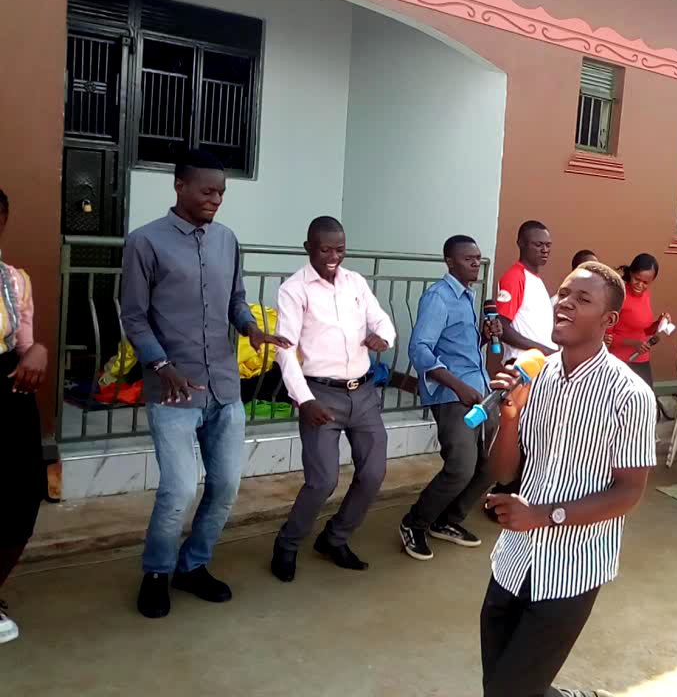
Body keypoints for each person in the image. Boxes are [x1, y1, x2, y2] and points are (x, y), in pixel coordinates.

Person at [121, 150, 291, 618]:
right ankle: (157, 572)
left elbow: (236, 300)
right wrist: (160, 364)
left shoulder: (227, 241)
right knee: (178, 490)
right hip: (173, 391)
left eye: (222, 192)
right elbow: (134, 317)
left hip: (224, 387)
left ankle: (192, 565)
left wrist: (250, 327)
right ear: (180, 186)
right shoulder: (144, 242)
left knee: (226, 485)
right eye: (207, 190)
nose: (216, 199)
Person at [480, 261, 654, 697]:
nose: (566, 304)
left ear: (608, 320)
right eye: (564, 294)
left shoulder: (631, 395)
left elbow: (629, 493)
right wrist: (510, 414)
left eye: (583, 299)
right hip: (512, 561)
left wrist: (542, 515)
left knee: (509, 693)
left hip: (571, 572)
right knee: (500, 686)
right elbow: (504, 473)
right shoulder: (535, 376)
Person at [269, 217, 396, 582]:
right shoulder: (294, 290)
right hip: (320, 395)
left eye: (340, 250)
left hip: (363, 393)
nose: (333, 257)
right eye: (325, 249)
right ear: (308, 247)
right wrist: (304, 399)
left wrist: (383, 339)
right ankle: (287, 543)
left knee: (373, 474)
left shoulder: (355, 282)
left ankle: (335, 538)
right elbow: (284, 350)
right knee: (322, 481)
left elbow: (382, 321)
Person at [399, 235, 503, 561]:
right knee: (460, 467)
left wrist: (483, 338)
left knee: (492, 465)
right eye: (468, 258)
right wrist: (457, 386)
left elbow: (459, 347)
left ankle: (447, 521)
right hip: (453, 396)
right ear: (450, 261)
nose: (476, 263)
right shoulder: (438, 297)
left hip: (480, 391)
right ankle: (414, 523)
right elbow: (420, 349)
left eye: (478, 257)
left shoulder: (468, 297)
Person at [0, 188, 51, 644]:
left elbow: (25, 344)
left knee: (20, 499)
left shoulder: (15, 282)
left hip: (8, 392)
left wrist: (38, 351)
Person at [607, 253, 670, 387]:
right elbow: (607, 337)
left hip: (641, 358)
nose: (640, 285)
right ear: (631, 273)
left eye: (645, 283)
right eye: (637, 279)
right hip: (620, 361)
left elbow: (645, 331)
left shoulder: (645, 295)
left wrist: (659, 323)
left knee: (646, 397)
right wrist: (633, 343)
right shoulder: (619, 296)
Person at [496, 220, 557, 359]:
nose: (545, 250)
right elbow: (502, 327)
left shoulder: (535, 279)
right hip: (522, 363)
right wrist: (545, 351)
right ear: (521, 244)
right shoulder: (515, 277)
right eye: (538, 245)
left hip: (540, 362)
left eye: (548, 245)